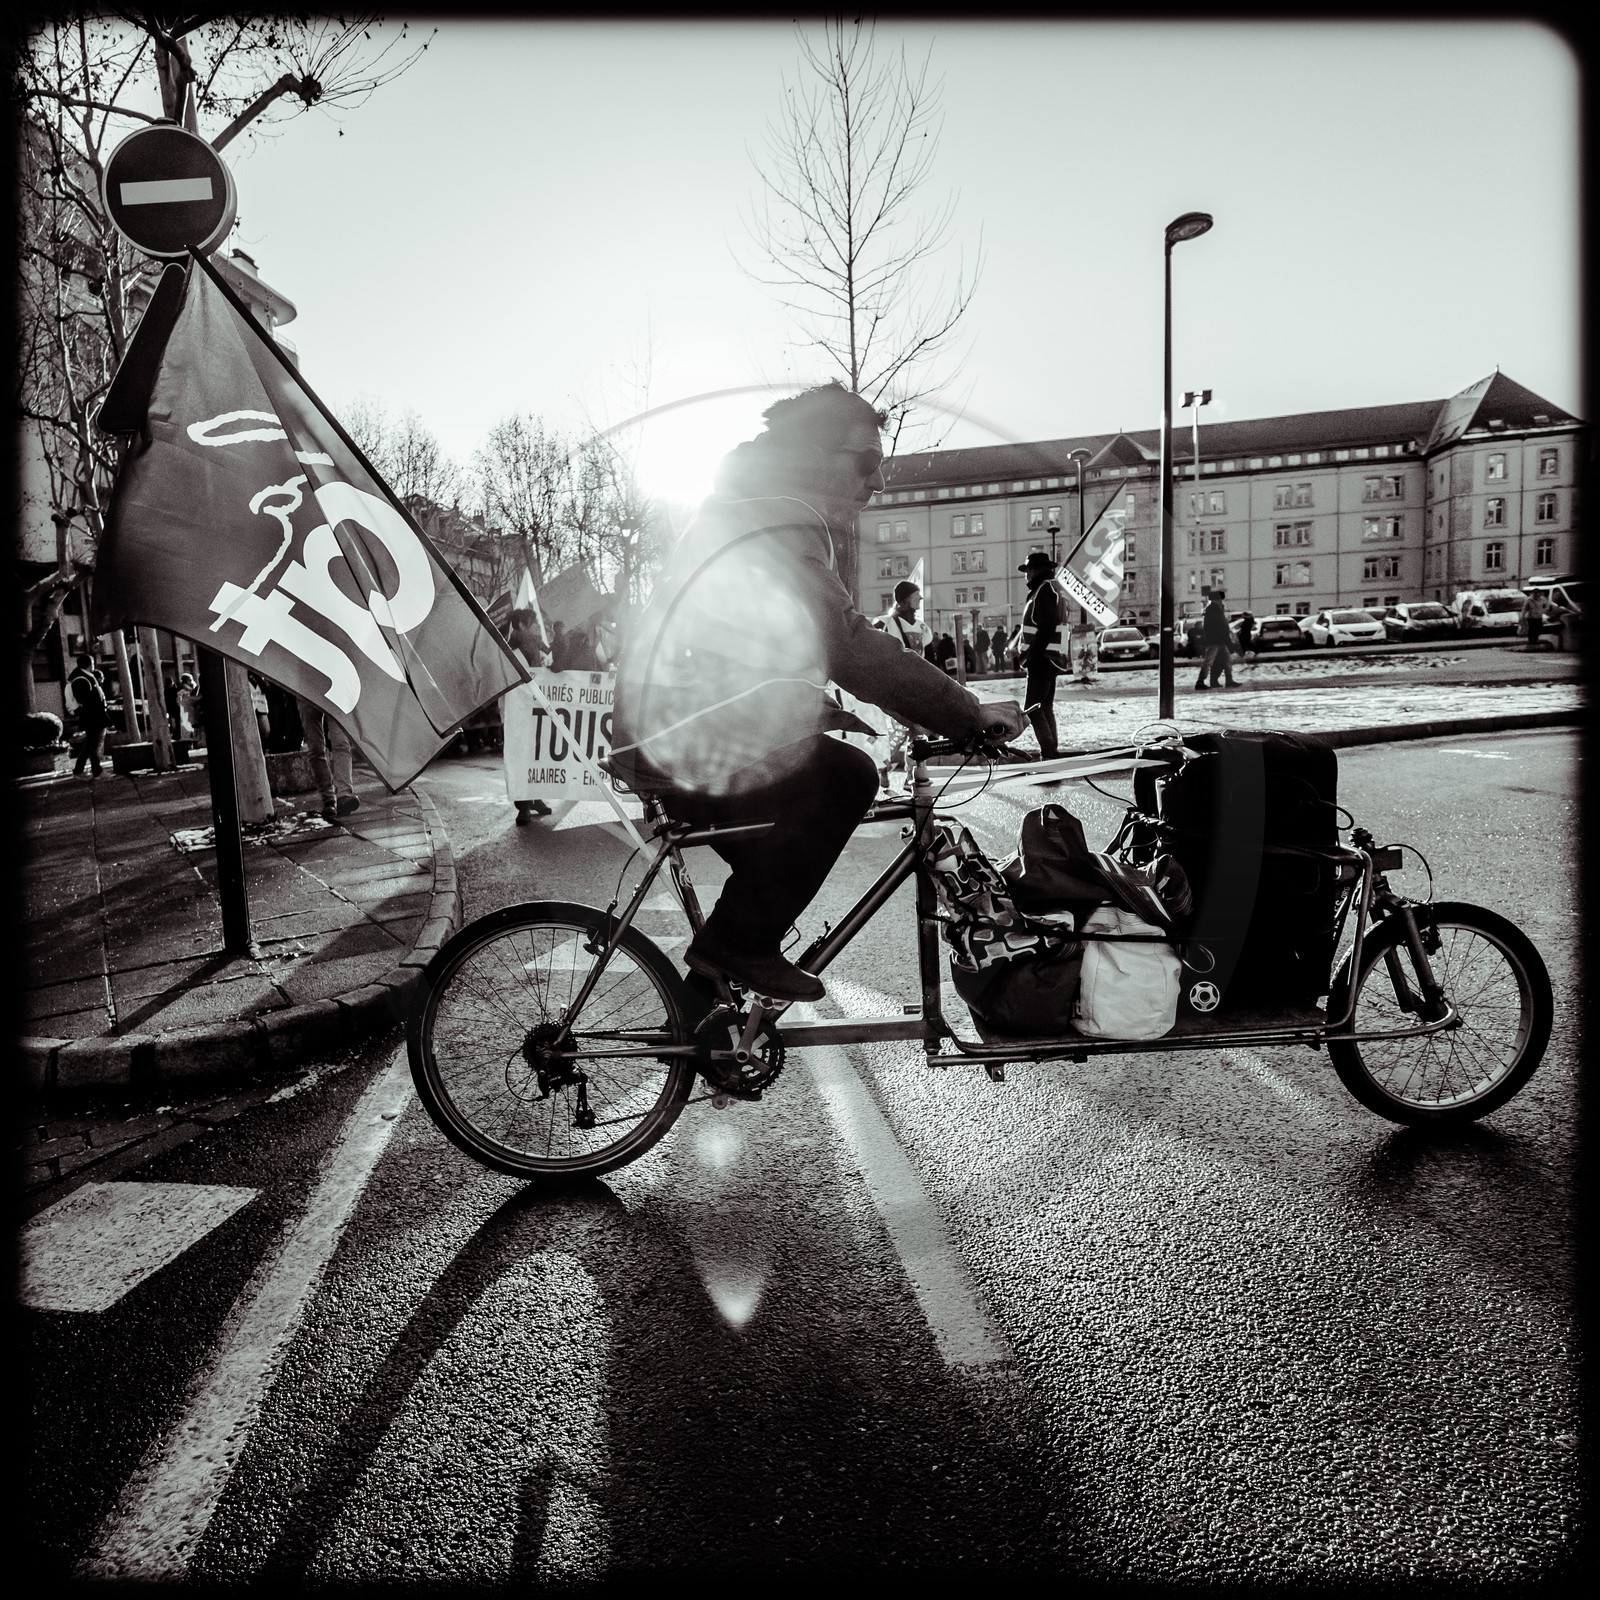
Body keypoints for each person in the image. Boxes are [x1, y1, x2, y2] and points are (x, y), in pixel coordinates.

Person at [609, 381, 1025, 1004]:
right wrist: (967, 712)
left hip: (684, 729)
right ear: (809, 455)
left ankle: (707, 1013)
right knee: (843, 779)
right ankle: (733, 952)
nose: (876, 481)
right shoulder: (766, 526)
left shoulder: (750, 509)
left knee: (769, 875)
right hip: (683, 736)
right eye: (865, 462)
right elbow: (846, 644)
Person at [871, 580, 935, 792]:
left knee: (916, 731)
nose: (920, 599)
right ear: (904, 599)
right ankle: (882, 767)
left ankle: (911, 775)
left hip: (917, 686)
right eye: (916, 595)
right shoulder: (886, 623)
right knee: (896, 733)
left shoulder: (922, 627)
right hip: (895, 687)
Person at [1017, 551, 1065, 758]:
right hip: (1051, 657)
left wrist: (1031, 656)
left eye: (1027, 570)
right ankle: (1051, 752)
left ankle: (1049, 754)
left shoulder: (1043, 590)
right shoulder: (1050, 588)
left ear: (1034, 571)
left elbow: (1046, 626)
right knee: (1045, 707)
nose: (1025, 575)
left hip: (1042, 659)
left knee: (1033, 708)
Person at [295, 693, 359, 822]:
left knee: (341, 742)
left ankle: (343, 795)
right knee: (316, 748)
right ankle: (329, 799)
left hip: (331, 687)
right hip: (305, 689)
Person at [68, 653, 108, 777]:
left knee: (90, 743)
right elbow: (86, 700)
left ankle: (79, 770)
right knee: (94, 744)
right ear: (89, 664)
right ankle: (96, 770)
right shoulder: (81, 679)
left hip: (94, 716)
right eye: (92, 663)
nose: (93, 665)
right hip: (93, 717)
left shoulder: (86, 677)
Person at [1194, 592, 1237, 689]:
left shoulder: (1217, 609)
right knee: (1209, 661)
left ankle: (1228, 680)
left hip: (1220, 641)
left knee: (1227, 661)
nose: (1221, 601)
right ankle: (1200, 682)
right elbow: (1219, 626)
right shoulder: (1212, 610)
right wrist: (1228, 640)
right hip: (1214, 641)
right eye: (1219, 599)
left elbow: (1223, 625)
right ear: (1214, 600)